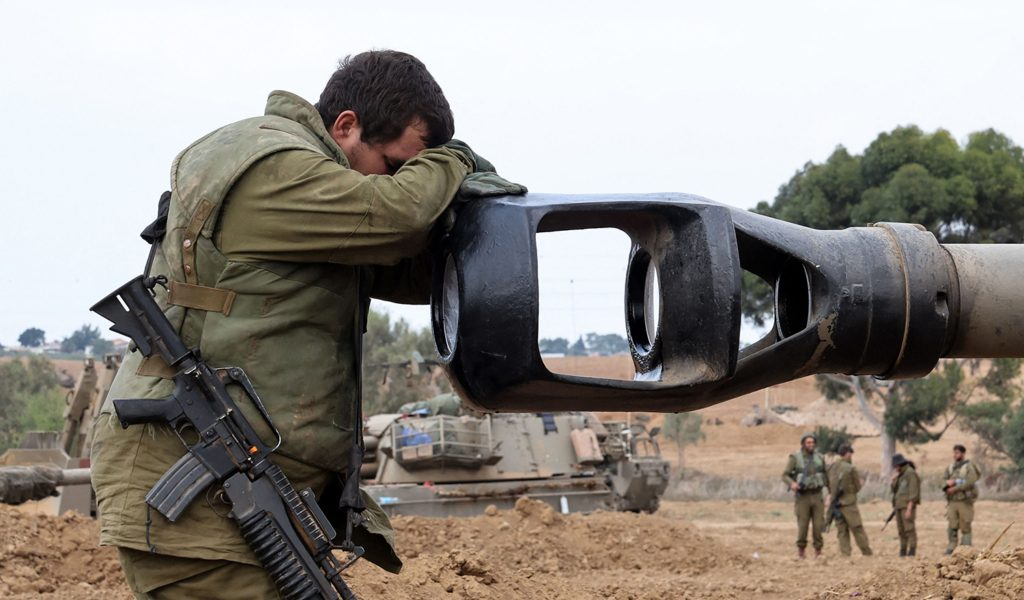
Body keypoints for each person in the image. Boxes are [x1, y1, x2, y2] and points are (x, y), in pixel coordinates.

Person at [90, 50, 524, 599]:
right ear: (346, 126)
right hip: (198, 496)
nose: (400, 179)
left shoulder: (313, 195)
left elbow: (415, 272)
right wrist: (454, 161)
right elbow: (397, 215)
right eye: (395, 164)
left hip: (237, 487)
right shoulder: (271, 166)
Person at [782, 432, 829, 558]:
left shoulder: (820, 457)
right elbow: (785, 475)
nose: (811, 445)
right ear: (803, 444)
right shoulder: (795, 458)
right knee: (803, 526)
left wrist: (830, 494)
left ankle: (818, 550)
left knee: (818, 526)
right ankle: (801, 550)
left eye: (813, 442)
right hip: (803, 497)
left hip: (817, 495)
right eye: (808, 442)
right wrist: (792, 484)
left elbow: (827, 475)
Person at [825, 444, 872, 557]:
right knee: (857, 529)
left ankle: (845, 553)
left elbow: (828, 484)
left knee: (842, 530)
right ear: (847, 454)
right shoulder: (850, 468)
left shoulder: (831, 467)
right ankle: (866, 552)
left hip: (836, 504)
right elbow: (857, 487)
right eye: (850, 454)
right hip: (849, 503)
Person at [943, 443, 981, 554]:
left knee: (965, 525)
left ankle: (966, 549)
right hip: (952, 501)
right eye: (954, 453)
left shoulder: (969, 467)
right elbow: (943, 480)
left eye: (957, 453)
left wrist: (955, 488)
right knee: (952, 525)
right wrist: (947, 484)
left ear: (963, 453)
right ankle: (951, 547)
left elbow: (970, 481)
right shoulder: (951, 468)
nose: (955, 455)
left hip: (965, 501)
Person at [890, 453, 921, 557]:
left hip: (907, 506)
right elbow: (895, 491)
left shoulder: (910, 473)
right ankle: (903, 550)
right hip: (899, 506)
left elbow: (913, 493)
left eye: (896, 466)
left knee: (909, 529)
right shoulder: (901, 475)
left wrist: (909, 509)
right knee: (901, 530)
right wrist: (893, 480)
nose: (895, 468)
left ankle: (912, 550)